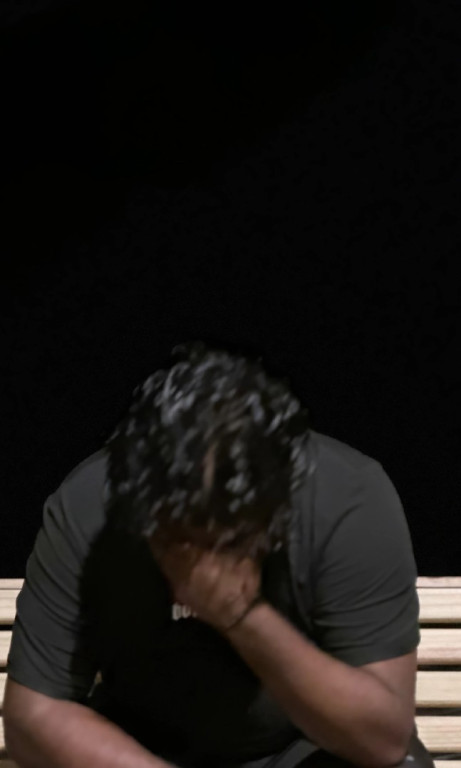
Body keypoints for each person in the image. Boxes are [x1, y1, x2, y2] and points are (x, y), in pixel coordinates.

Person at [4, 340, 435, 768]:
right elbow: (34, 715)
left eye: (230, 539)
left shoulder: (347, 498)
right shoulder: (91, 504)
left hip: (298, 751)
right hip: (143, 750)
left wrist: (242, 615)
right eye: (178, 537)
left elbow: (382, 741)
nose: (202, 561)